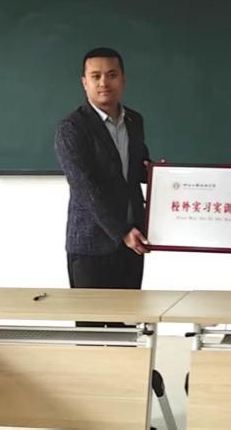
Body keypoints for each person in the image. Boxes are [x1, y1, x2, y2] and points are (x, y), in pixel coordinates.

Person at [55, 47, 151, 292]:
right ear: (84, 83)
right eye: (95, 76)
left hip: (133, 242)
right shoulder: (73, 127)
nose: (104, 83)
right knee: (92, 318)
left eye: (111, 75)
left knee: (131, 315)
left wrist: (162, 176)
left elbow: (136, 170)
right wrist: (122, 231)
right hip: (91, 246)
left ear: (123, 80)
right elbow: (85, 187)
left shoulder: (134, 121)